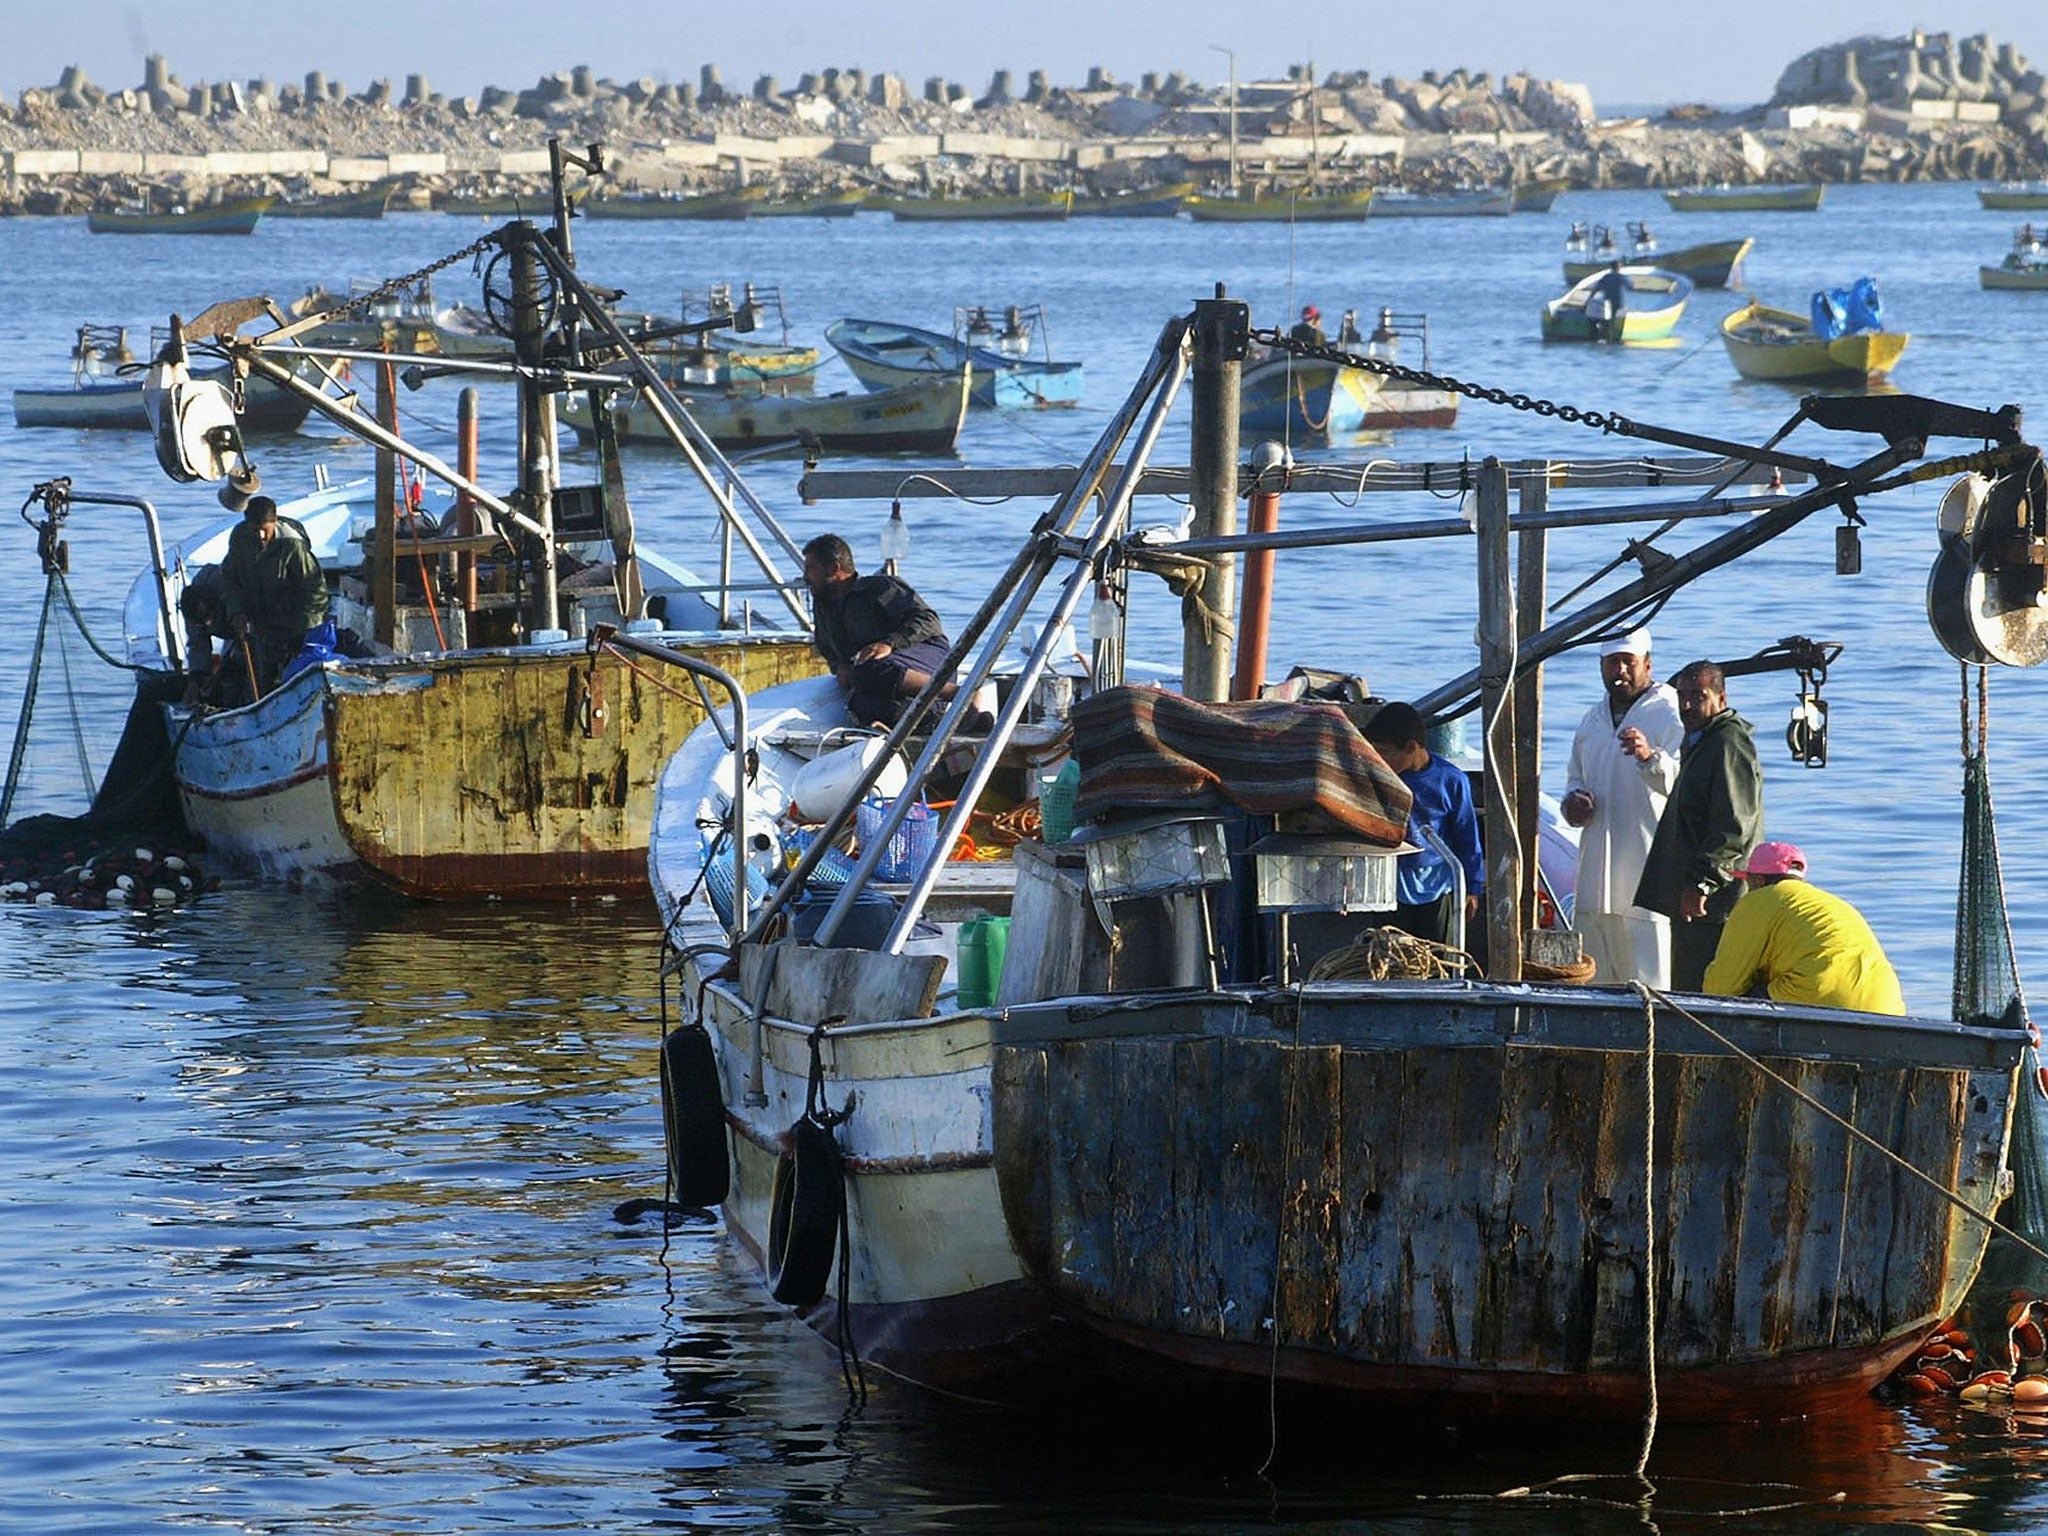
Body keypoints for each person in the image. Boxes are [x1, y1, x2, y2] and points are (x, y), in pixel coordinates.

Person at [1560, 627, 1684, 985]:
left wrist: (1649, 757)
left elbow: (1681, 783)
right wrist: (1574, 803)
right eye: (1612, 663)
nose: (1620, 672)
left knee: (1650, 975)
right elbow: (1574, 779)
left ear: (1647, 664)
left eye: (1628, 662)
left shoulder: (1669, 712)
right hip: (1595, 874)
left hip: (1647, 871)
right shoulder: (1592, 720)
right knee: (1597, 974)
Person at [1634, 660, 1764, 992]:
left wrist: (1702, 884)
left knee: (1703, 986)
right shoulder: (1702, 740)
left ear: (1721, 696)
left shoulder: (1727, 743)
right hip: (1695, 893)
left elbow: (1734, 824)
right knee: (1688, 981)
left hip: (1715, 899)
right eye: (1682, 696)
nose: (1688, 705)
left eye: (1698, 695)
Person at [801, 533, 987, 731]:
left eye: (810, 569)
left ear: (834, 569)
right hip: (887, 674)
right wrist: (840, 666)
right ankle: (927, 720)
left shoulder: (880, 588)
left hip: (925, 653)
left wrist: (889, 643)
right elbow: (827, 647)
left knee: (867, 671)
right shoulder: (823, 604)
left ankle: (961, 694)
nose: (805, 576)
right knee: (859, 701)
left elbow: (928, 621)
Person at [1704, 842, 1905, 1015]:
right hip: (1886, 1006)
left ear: (1757, 880)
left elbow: (1722, 987)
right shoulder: (1830, 903)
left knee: (1736, 1002)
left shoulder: (1759, 900)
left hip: (1818, 1000)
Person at [1361, 702, 1484, 948]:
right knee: (1389, 956)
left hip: (1437, 883)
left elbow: (1466, 837)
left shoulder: (1452, 781)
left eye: (1385, 752)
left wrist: (1472, 888)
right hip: (1388, 882)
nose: (1379, 759)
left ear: (1411, 748)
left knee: (1436, 958)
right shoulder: (1377, 778)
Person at [220, 496, 329, 695]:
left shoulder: (292, 545)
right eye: (255, 530)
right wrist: (237, 611)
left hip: (292, 623)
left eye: (266, 529)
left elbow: (315, 591)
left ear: (275, 522)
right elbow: (230, 576)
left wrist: (303, 632)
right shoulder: (239, 537)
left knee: (295, 680)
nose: (261, 536)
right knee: (264, 681)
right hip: (261, 624)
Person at [176, 564, 245, 707]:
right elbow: (197, 645)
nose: (207, 624)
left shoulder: (231, 589)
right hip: (231, 635)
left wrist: (223, 670)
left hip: (255, 626)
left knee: (240, 679)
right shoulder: (192, 607)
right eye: (201, 623)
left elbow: (250, 638)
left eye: (209, 617)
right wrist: (196, 680)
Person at [1585, 263, 1627, 342]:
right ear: (1620, 268)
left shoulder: (1606, 277)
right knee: (1611, 320)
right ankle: (1610, 337)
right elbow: (1631, 286)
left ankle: (1601, 335)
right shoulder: (1621, 277)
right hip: (1617, 302)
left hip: (1607, 301)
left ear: (1611, 268)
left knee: (1606, 319)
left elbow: (1595, 289)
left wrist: (1588, 301)